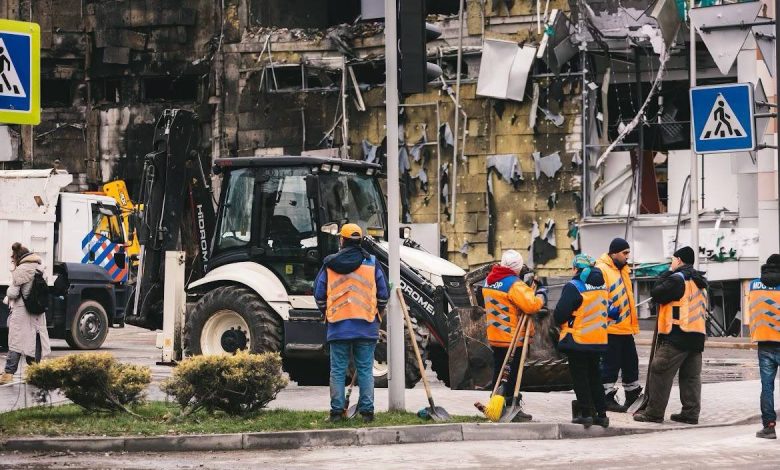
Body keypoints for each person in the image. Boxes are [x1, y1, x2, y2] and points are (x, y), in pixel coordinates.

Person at [314, 224, 389, 423]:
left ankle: (336, 413)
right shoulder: (372, 263)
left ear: (342, 240)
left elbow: (319, 294)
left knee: (338, 370)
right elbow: (383, 294)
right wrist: (375, 313)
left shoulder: (329, 264)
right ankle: (367, 413)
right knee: (365, 369)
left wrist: (328, 312)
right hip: (366, 325)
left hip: (338, 326)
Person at [634, 246, 707, 424]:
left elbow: (657, 293)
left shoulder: (677, 279)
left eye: (673, 260)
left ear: (679, 260)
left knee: (659, 370)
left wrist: (665, 273)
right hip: (696, 337)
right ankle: (690, 413)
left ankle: (653, 413)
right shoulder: (700, 281)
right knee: (691, 377)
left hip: (678, 335)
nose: (671, 263)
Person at [483, 250, 546, 421]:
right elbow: (531, 305)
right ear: (517, 267)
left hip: (495, 335)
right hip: (513, 337)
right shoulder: (514, 284)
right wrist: (541, 294)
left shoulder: (489, 280)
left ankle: (496, 405)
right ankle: (511, 407)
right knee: (512, 375)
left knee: (500, 372)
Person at [554, 254, 610, 428]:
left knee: (580, 378)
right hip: (598, 339)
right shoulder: (602, 286)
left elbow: (559, 314)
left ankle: (585, 414)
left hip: (578, 340)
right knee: (595, 376)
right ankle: (601, 414)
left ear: (575, 268)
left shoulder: (574, 287)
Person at [596, 238, 641, 412]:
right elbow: (599, 295)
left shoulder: (623, 271)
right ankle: (606, 395)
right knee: (610, 364)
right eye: (625, 253)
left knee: (631, 362)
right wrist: (608, 310)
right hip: (610, 327)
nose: (627, 256)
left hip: (625, 327)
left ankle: (632, 394)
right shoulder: (602, 269)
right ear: (613, 253)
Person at [0, 243, 52, 385]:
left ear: (17, 257)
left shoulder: (22, 269)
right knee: (34, 341)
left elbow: (13, 292)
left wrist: (8, 292)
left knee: (16, 342)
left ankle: (8, 374)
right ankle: (36, 372)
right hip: (38, 310)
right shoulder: (40, 268)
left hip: (23, 311)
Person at [747, 254, 780, 439]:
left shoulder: (753, 285)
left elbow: (751, 310)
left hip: (764, 342)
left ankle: (769, 427)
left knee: (767, 387)